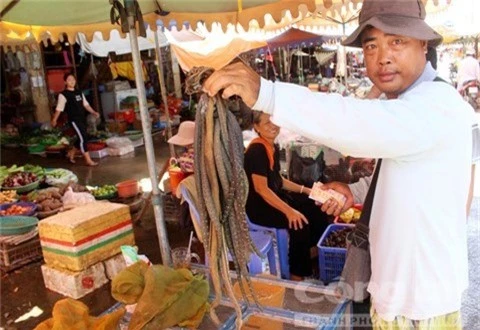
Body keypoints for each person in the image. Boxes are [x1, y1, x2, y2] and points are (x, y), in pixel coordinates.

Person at [203, 0, 475, 328]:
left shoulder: (434, 107)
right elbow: (404, 173)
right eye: (371, 45)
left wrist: (268, 94)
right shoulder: (413, 107)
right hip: (402, 292)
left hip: (418, 304)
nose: (383, 57)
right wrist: (356, 188)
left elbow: (357, 123)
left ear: (424, 44)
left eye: (397, 42)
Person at [244, 111, 329, 281]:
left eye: (274, 121)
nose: (272, 126)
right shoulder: (257, 150)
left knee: (315, 205)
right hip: (259, 207)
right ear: (256, 127)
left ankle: (310, 251)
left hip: (274, 196)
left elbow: (278, 181)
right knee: (299, 221)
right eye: (266, 123)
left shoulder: (271, 146)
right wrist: (289, 211)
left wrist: (308, 191)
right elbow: (261, 189)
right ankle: (297, 274)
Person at [51, 73, 100, 166]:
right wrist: (54, 120)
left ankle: (71, 153)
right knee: (83, 138)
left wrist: (93, 112)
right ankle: (88, 160)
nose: (72, 81)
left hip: (82, 118)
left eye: (73, 79)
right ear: (65, 82)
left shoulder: (79, 92)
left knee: (83, 137)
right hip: (74, 120)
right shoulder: (63, 94)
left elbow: (86, 105)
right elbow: (59, 109)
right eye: (69, 80)